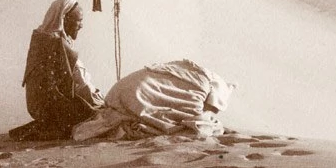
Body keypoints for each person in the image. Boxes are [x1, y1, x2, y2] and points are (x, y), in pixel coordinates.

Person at [8, 0, 105, 141]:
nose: (81, 25)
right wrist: (101, 103)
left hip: (39, 108)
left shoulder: (41, 38)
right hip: (54, 109)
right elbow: (80, 83)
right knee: (105, 118)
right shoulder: (57, 44)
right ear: (64, 19)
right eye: (79, 20)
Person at [72, 59, 235, 141]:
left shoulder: (188, 72)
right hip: (137, 93)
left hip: (118, 91)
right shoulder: (202, 89)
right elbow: (202, 120)